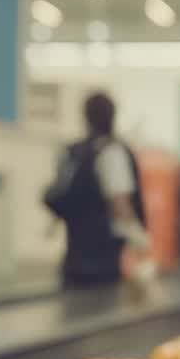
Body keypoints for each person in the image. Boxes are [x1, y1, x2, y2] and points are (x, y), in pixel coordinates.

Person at [44, 92, 152, 287]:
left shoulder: (74, 152)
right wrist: (140, 241)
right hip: (104, 259)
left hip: (74, 255)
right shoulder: (112, 152)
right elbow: (120, 204)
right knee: (104, 310)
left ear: (85, 117)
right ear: (113, 116)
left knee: (74, 311)